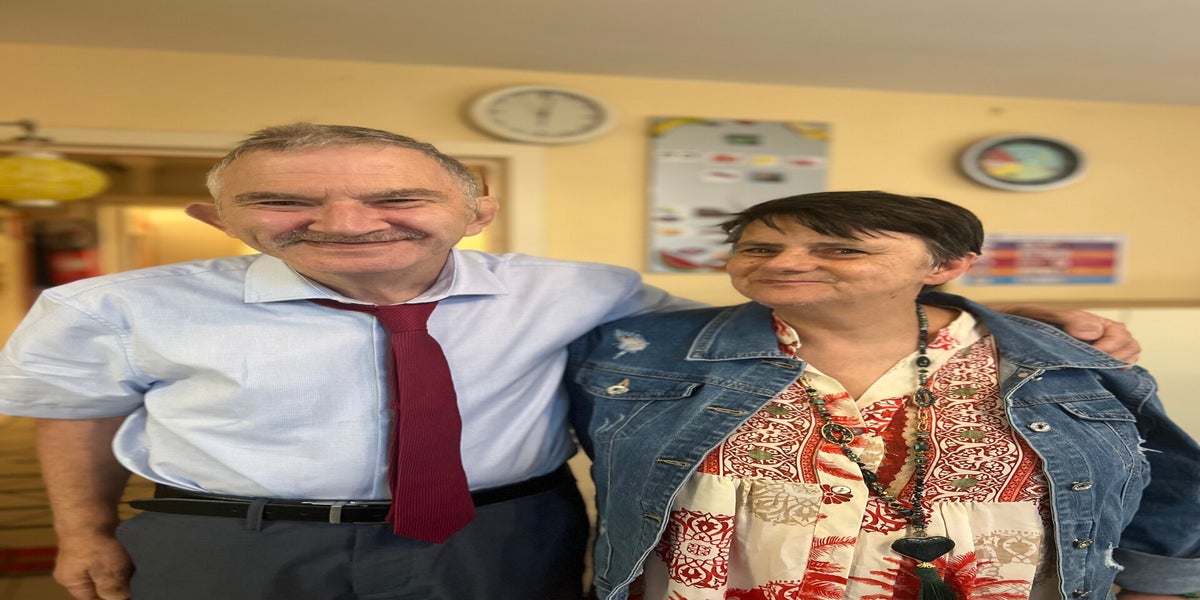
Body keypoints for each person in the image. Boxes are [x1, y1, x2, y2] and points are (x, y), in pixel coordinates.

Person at [0, 125, 1139, 600]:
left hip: (502, 533)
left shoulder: (584, 293)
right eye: (283, 202)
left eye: (396, 196)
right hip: (224, 540)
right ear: (219, 216)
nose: (347, 222)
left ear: (474, 205)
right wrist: (86, 533)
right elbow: (75, 415)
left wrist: (1013, 314)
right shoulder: (113, 305)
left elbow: (793, 302)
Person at [566, 191, 1200, 600]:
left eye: (840, 249)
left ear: (946, 266)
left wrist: (1158, 589)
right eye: (759, 247)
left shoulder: (1058, 359)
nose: (783, 263)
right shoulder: (634, 350)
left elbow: (1164, 483)